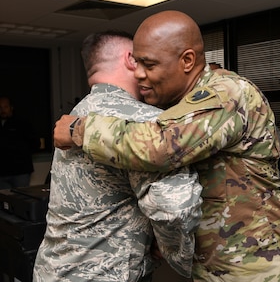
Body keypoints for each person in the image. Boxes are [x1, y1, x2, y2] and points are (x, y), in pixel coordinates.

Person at [53, 10, 280, 282]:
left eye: (150, 64)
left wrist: (80, 129)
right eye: (137, 63)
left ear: (187, 60)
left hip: (262, 268)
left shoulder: (226, 92)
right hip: (218, 267)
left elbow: (160, 147)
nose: (140, 75)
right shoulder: (180, 105)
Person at [33, 30, 202, 281]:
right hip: (106, 274)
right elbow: (174, 207)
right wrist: (176, 253)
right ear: (131, 59)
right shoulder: (144, 120)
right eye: (144, 60)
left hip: (54, 270)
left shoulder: (76, 114)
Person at [0, 96, 40, 189]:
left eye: (5, 107)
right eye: (0, 107)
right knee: (3, 201)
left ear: (11, 107)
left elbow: (35, 143)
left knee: (21, 199)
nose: (2, 110)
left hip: (20, 171)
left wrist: (22, 154)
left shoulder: (22, 123)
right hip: (2, 173)